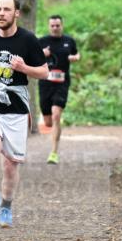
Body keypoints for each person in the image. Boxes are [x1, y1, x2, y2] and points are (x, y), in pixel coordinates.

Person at [0, 0, 49, 227]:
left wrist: (23, 68)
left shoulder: (27, 40)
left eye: (7, 9)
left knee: (11, 163)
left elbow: (44, 72)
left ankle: (6, 206)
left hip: (15, 106)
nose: (1, 14)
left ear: (16, 13)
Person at [37, 14, 80, 164]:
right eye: (52, 26)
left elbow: (76, 54)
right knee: (48, 122)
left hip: (62, 83)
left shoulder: (69, 41)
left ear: (62, 25)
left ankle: (54, 153)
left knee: (56, 115)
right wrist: (42, 54)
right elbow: (31, 58)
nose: (55, 28)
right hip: (45, 83)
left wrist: (75, 58)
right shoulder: (42, 42)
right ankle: (50, 125)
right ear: (49, 26)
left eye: (58, 25)